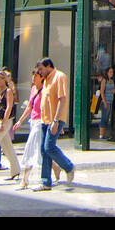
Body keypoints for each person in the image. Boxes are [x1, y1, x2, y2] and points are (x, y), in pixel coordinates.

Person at [35, 57, 74, 190]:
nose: (40, 72)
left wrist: (57, 121)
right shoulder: (45, 80)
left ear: (48, 66)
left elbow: (62, 99)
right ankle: (45, 181)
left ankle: (68, 167)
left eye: (41, 69)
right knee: (43, 149)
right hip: (45, 120)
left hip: (54, 120)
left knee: (49, 147)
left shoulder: (59, 76)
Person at [16, 67, 45, 189]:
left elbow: (47, 107)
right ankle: (56, 168)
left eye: (36, 76)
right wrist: (20, 121)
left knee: (30, 148)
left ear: (42, 78)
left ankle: (25, 179)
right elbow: (29, 107)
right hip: (32, 121)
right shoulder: (33, 89)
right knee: (40, 151)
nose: (33, 78)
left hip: (40, 122)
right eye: (33, 75)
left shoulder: (45, 90)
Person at [96, 67, 115, 141]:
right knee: (104, 117)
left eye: (112, 72)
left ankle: (104, 134)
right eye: (110, 72)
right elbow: (102, 91)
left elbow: (113, 90)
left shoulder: (112, 81)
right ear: (107, 73)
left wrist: (114, 91)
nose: (111, 73)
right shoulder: (104, 80)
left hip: (110, 100)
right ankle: (101, 135)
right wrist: (104, 102)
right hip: (106, 101)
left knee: (107, 118)